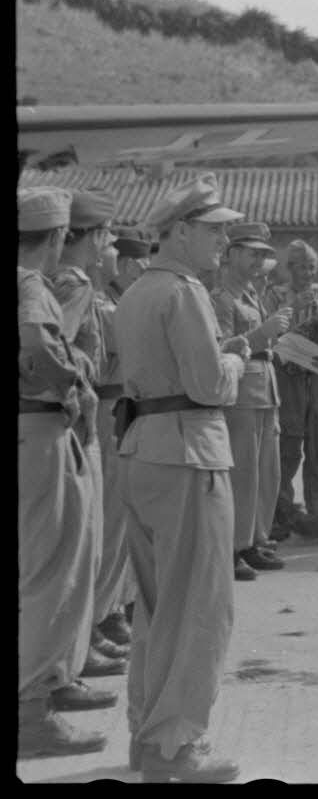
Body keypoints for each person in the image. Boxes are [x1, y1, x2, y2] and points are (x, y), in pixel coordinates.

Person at [114, 173, 249, 781]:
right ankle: (175, 746)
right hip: (189, 453)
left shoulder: (138, 290)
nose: (223, 241)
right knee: (200, 606)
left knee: (156, 606)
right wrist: (238, 358)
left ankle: (147, 735)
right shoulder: (185, 291)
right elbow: (209, 385)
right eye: (213, 230)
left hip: (143, 450)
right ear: (180, 232)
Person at [18, 187, 110, 758]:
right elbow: (37, 338)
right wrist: (71, 379)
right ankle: (32, 713)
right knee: (51, 572)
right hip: (40, 429)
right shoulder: (30, 283)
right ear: (56, 236)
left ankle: (46, 683)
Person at [51, 189, 132, 679]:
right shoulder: (75, 285)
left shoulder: (66, 281)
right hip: (83, 415)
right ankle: (75, 648)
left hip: (83, 412)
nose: (111, 248)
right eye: (108, 238)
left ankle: (86, 635)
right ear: (94, 237)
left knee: (94, 533)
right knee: (88, 534)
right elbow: (54, 349)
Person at [210, 222, 291, 581]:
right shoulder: (221, 298)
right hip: (242, 392)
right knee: (242, 473)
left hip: (264, 389)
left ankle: (255, 538)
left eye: (263, 254)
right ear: (231, 254)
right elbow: (223, 348)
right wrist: (263, 333)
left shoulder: (250, 294)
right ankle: (233, 546)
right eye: (252, 253)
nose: (259, 260)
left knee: (265, 471)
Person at [93, 226, 154, 649]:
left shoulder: (118, 302)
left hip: (126, 406)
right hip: (109, 407)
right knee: (112, 516)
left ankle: (121, 602)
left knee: (127, 514)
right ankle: (103, 612)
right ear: (132, 264)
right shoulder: (105, 304)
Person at [262, 239, 318, 531]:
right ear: (289, 268)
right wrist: (293, 308)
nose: (307, 273)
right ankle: (282, 515)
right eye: (301, 267)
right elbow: (267, 336)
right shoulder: (274, 295)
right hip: (288, 380)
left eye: (311, 267)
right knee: (287, 447)